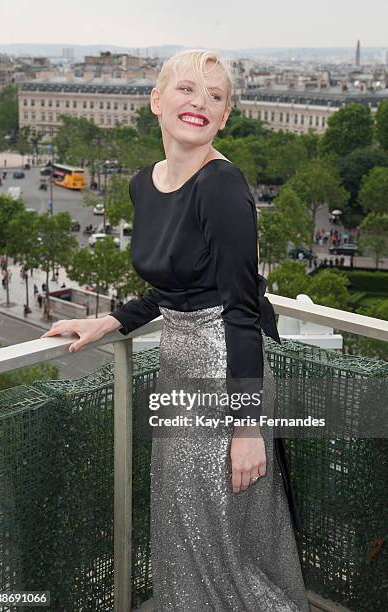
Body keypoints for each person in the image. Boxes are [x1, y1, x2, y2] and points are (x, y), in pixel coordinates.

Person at [40, 49, 309, 611]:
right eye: (187, 89)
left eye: (215, 97)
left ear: (226, 115)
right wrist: (111, 320)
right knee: (183, 516)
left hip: (225, 373)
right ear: (157, 100)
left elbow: (239, 310)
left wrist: (246, 428)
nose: (200, 103)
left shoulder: (222, 188)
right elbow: (174, 287)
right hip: (179, 363)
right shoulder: (145, 184)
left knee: (218, 527)